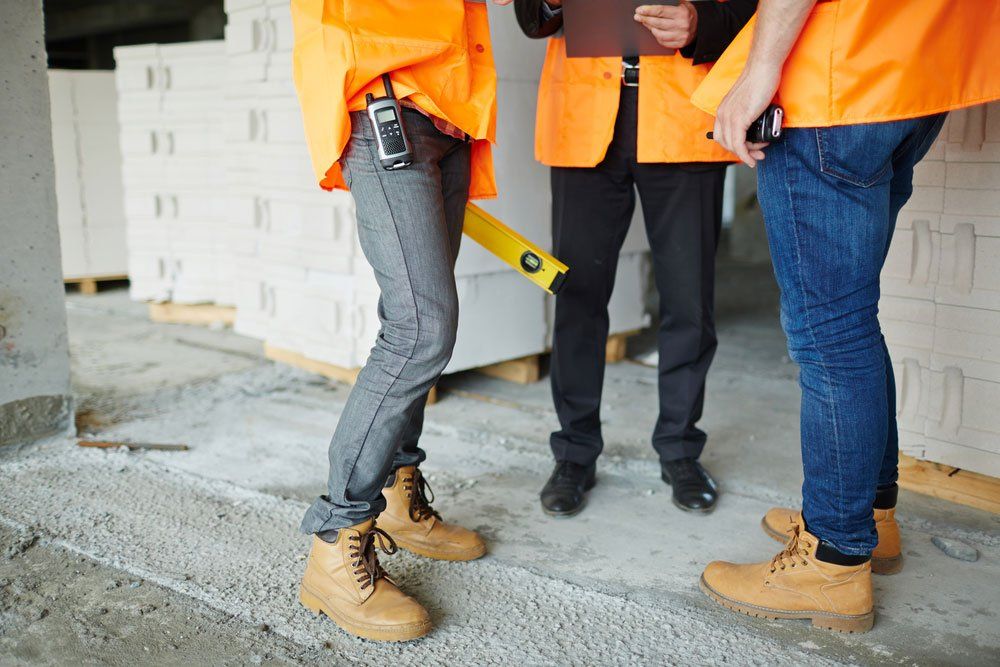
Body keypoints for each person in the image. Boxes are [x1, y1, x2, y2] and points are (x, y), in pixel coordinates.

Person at [692, 0, 1000, 633]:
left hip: (841, 80)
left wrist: (758, 74)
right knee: (852, 320)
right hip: (916, 80)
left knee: (830, 335)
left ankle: (833, 561)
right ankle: (871, 517)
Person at [289, 0, 512, 642]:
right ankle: (336, 537)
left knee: (416, 321)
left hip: (449, 110)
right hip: (386, 99)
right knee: (420, 331)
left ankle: (396, 496)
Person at [514, 0, 756, 516]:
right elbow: (532, 16)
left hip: (685, 114)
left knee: (689, 301)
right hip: (584, 117)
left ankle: (680, 450)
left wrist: (700, 22)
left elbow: (755, 8)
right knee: (578, 299)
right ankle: (574, 453)